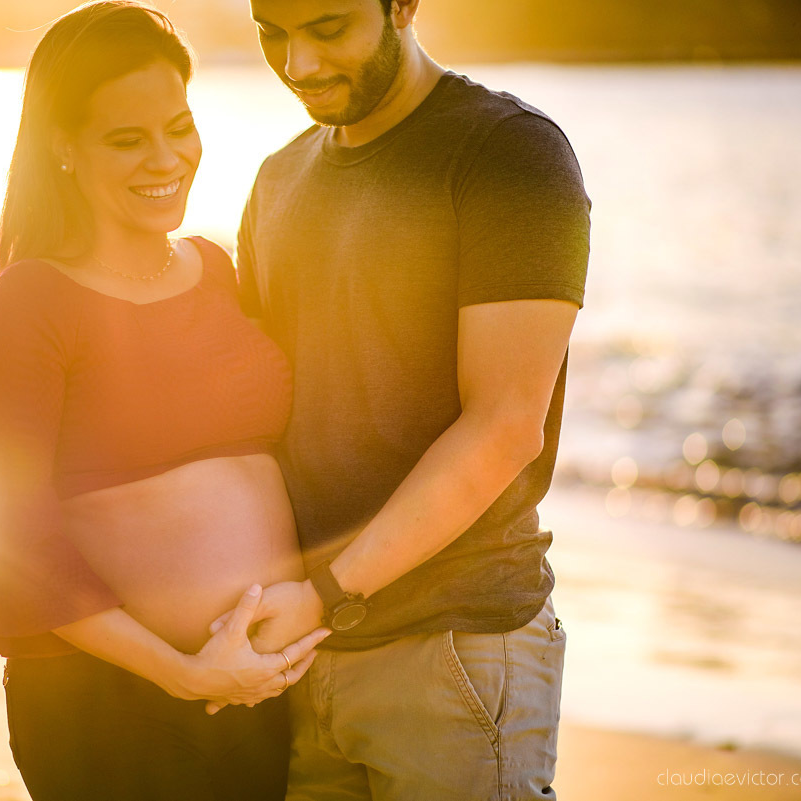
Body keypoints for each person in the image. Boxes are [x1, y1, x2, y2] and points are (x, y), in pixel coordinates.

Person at [0, 3, 328, 800]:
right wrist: (188, 672)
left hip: (259, 686)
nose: (166, 158)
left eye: (179, 126)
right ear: (64, 148)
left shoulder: (217, 267)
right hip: (115, 699)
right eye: (127, 140)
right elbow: (13, 531)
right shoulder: (29, 304)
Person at [224, 0, 592, 798]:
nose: (299, 66)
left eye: (327, 29)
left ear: (404, 5)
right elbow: (256, 414)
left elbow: (503, 427)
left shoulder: (509, 154)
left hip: (456, 648)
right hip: (306, 652)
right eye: (273, 35)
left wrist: (323, 592)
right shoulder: (278, 179)